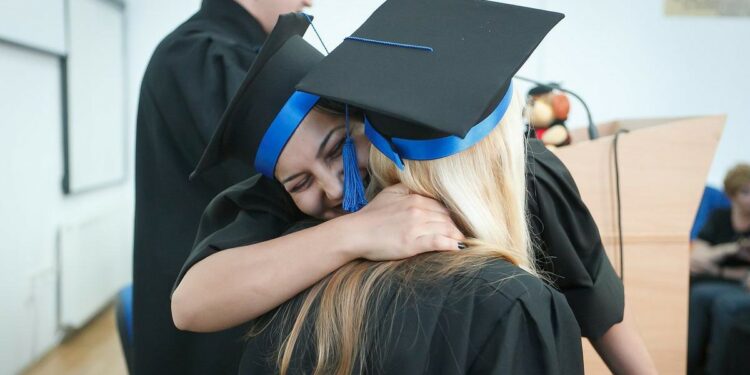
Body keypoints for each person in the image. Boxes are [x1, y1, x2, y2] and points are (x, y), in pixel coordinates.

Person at [174, 1, 656, 373]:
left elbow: (600, 308)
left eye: (337, 148)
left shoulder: (523, 171)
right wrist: (355, 232)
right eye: (299, 181)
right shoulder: (285, 202)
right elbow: (192, 304)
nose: (332, 187)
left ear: (366, 115)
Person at [133, 1, 311, 374]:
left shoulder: (214, 54)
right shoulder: (199, 55)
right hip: (209, 327)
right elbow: (279, 180)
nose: (309, 2)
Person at [688, 163, 750, 375]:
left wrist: (714, 263)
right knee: (697, 294)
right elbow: (696, 258)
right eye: (745, 192)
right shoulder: (719, 217)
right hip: (721, 280)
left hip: (741, 286)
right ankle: (688, 366)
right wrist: (730, 249)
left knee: (725, 303)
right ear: (731, 194)